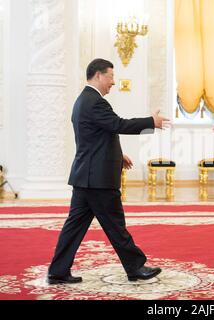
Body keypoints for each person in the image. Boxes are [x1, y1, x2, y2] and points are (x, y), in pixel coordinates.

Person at [47, 58, 169, 284]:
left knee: (74, 227)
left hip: (87, 176)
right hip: (98, 180)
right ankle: (135, 267)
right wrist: (151, 121)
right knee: (115, 225)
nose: (113, 82)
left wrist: (117, 155)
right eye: (111, 77)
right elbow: (118, 124)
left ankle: (58, 271)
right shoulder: (94, 101)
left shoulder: (84, 100)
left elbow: (95, 135)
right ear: (99, 75)